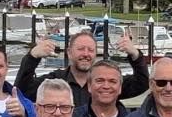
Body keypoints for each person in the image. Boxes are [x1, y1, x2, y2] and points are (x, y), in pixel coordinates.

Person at [15, 28, 149, 106]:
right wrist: (33, 57)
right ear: (69, 52)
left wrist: (135, 54)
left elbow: (141, 83)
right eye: (80, 49)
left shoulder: (106, 84)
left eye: (90, 50)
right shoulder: (56, 81)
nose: (86, 54)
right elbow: (23, 90)